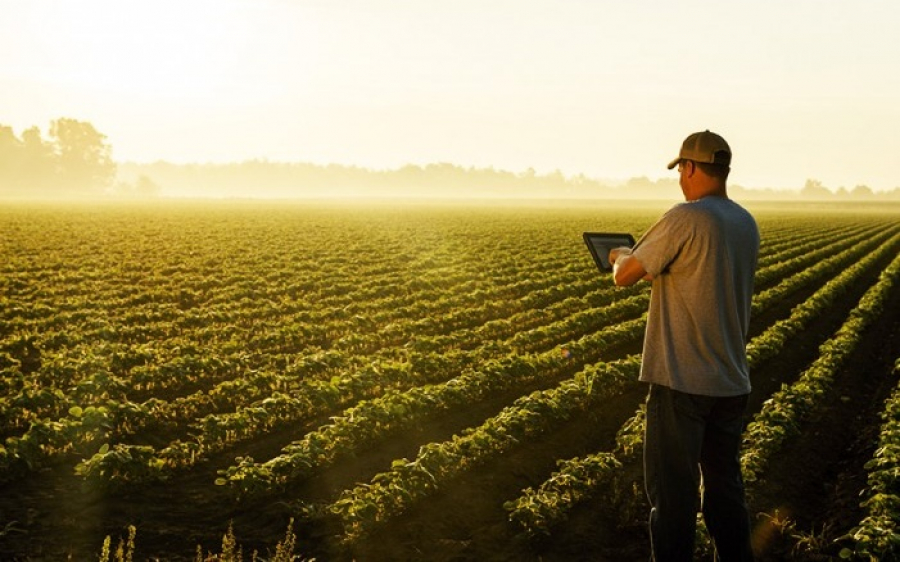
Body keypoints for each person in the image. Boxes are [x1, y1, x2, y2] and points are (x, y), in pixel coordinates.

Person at [608, 130, 759, 561]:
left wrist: (619, 254)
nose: (680, 179)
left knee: (673, 499)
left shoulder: (686, 217)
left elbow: (625, 275)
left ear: (690, 168)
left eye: (681, 170)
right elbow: (699, 273)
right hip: (730, 381)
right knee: (725, 492)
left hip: (682, 383)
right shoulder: (744, 222)